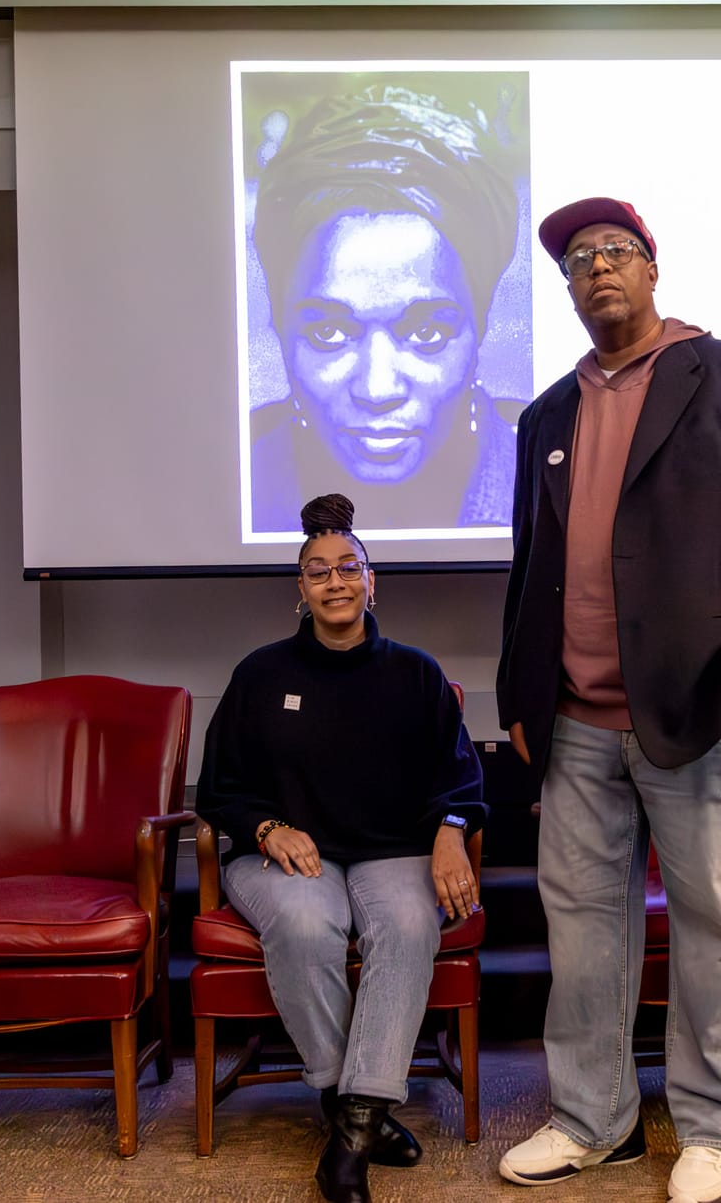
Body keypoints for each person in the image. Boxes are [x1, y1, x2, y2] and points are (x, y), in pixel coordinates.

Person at [494, 199, 721, 1203]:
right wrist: (520, 690)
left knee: (714, 925)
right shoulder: (546, 413)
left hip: (700, 713)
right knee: (583, 930)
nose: (596, 267)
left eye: (615, 252)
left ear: (650, 270)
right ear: (564, 290)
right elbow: (530, 568)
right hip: (572, 721)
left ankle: (715, 1131)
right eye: (576, 260)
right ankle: (592, 1119)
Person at [197, 492, 487, 1203]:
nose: (335, 582)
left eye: (348, 568)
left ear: (371, 581)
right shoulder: (260, 675)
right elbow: (217, 791)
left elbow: (463, 779)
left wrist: (451, 835)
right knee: (302, 922)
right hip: (288, 855)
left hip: (395, 850)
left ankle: (349, 1135)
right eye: (318, 571)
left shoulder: (416, 674)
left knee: (412, 922)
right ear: (299, 589)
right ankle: (353, 1108)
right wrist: (267, 827)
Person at [248, 84, 525, 532]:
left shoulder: (548, 484)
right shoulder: (221, 482)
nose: (377, 391)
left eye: (426, 333)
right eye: (329, 333)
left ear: (482, 325)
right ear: (278, 326)